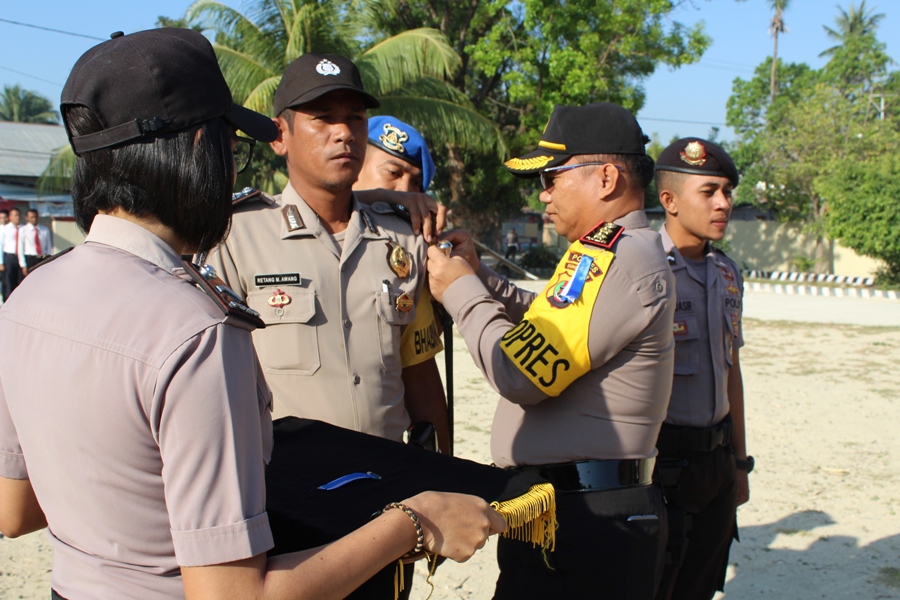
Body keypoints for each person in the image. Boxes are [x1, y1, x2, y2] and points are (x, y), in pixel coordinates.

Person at [0, 28, 504, 600]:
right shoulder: (196, 331)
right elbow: (232, 595)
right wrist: (413, 522)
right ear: (198, 150)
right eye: (230, 150)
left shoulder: (29, 299)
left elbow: (14, 511)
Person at [427, 101, 676, 599]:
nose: (543, 193)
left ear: (605, 178)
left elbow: (520, 371)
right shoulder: (609, 249)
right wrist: (481, 279)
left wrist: (458, 291)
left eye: (552, 176)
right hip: (570, 511)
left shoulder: (617, 256)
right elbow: (550, 318)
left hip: (591, 519)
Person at [207, 55, 451, 454]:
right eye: (322, 117)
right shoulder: (235, 237)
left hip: (391, 482)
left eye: (355, 118)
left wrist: (446, 476)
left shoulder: (402, 239)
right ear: (280, 135)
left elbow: (420, 375)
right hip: (287, 491)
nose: (344, 133)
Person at [653, 137, 752, 600]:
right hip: (662, 466)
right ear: (668, 200)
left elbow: (731, 371)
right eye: (709, 191)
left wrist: (740, 464)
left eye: (728, 192)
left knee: (699, 588)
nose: (724, 203)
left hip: (716, 462)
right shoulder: (645, 269)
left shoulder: (728, 272)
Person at [18, 209, 53, 275]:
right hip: (30, 258)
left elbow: (49, 246)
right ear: (27, 218)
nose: (34, 219)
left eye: (35, 217)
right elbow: (21, 248)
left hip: (42, 258)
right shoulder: (23, 230)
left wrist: (49, 260)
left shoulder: (45, 230)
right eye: (31, 217)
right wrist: (23, 265)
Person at [0, 207, 23, 299]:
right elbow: (0, 245)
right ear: (10, 217)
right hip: (9, 257)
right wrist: (1, 262)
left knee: (20, 280)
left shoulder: (23, 228)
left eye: (19, 215)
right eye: (15, 215)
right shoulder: (4, 229)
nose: (17, 217)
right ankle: (7, 302)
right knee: (9, 281)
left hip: (20, 257)